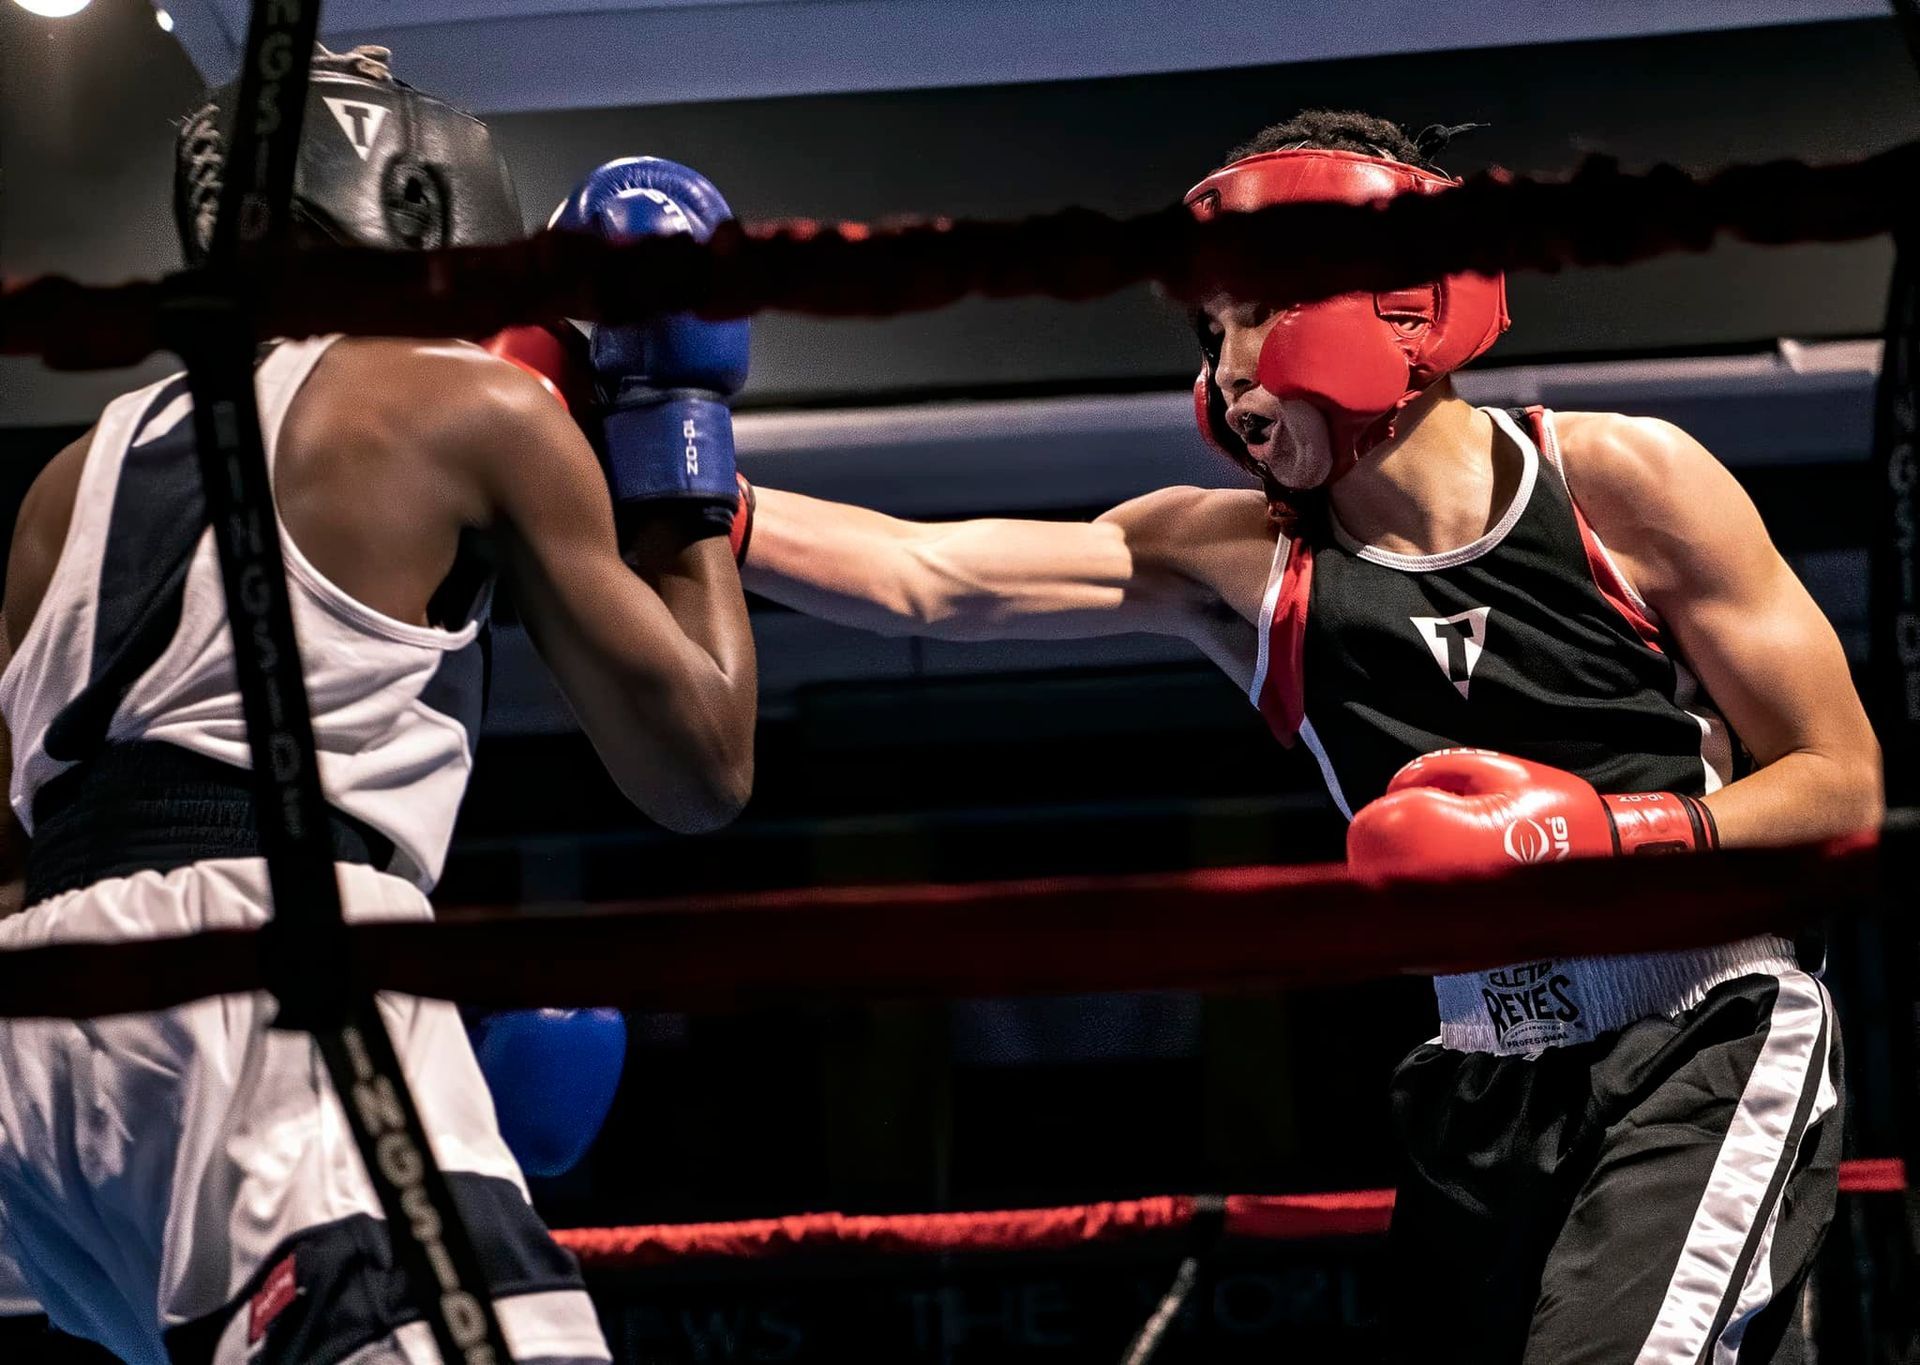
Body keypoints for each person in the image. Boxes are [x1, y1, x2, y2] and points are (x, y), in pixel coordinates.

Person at [729, 110, 1881, 1362]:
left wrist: (1613, 829)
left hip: (1701, 1023)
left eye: (1254, 317)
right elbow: (928, 577)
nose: (1226, 371)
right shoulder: (1245, 560)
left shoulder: (1621, 482)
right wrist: (687, 489)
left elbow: (1842, 781)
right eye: (1211, 331)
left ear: (1402, 307)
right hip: (1482, 1071)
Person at [0, 46, 756, 1365]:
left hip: (43, 1060)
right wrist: (677, 433)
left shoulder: (68, 478)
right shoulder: (462, 403)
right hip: (271, 965)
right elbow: (700, 767)